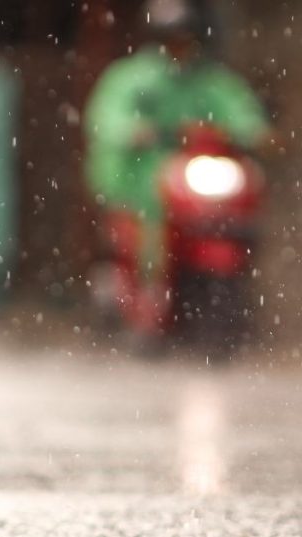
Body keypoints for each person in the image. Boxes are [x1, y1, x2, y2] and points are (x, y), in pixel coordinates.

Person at [84, 0, 270, 335]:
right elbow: (109, 116)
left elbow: (240, 108)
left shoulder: (209, 80)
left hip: (194, 174)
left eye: (186, 39)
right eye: (172, 40)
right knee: (152, 216)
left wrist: (253, 130)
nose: (179, 47)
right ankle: (148, 292)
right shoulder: (133, 79)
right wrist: (134, 130)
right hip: (146, 177)